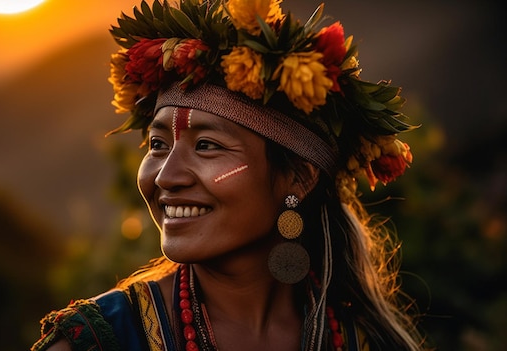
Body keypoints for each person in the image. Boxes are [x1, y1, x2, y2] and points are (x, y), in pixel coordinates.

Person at [31, 0, 429, 350]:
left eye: (207, 146)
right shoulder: (98, 340)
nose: (167, 177)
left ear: (300, 179)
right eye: (157, 145)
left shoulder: (364, 340)